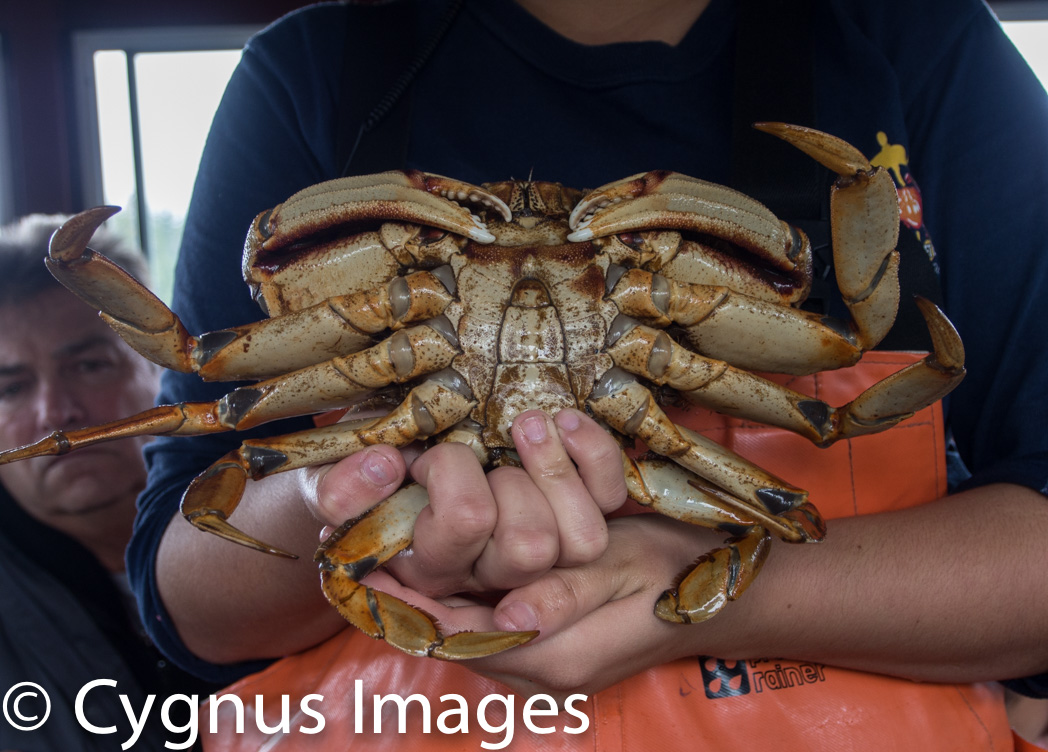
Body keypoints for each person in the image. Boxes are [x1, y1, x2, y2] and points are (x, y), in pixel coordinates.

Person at [119, 0, 1048, 747]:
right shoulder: (316, 75)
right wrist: (336, 489)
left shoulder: (912, 41)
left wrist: (717, 586)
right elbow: (191, 591)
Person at [0, 215, 214, 750]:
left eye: (90, 365)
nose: (56, 412)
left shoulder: (281, 511)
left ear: (163, 371)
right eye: (12, 389)